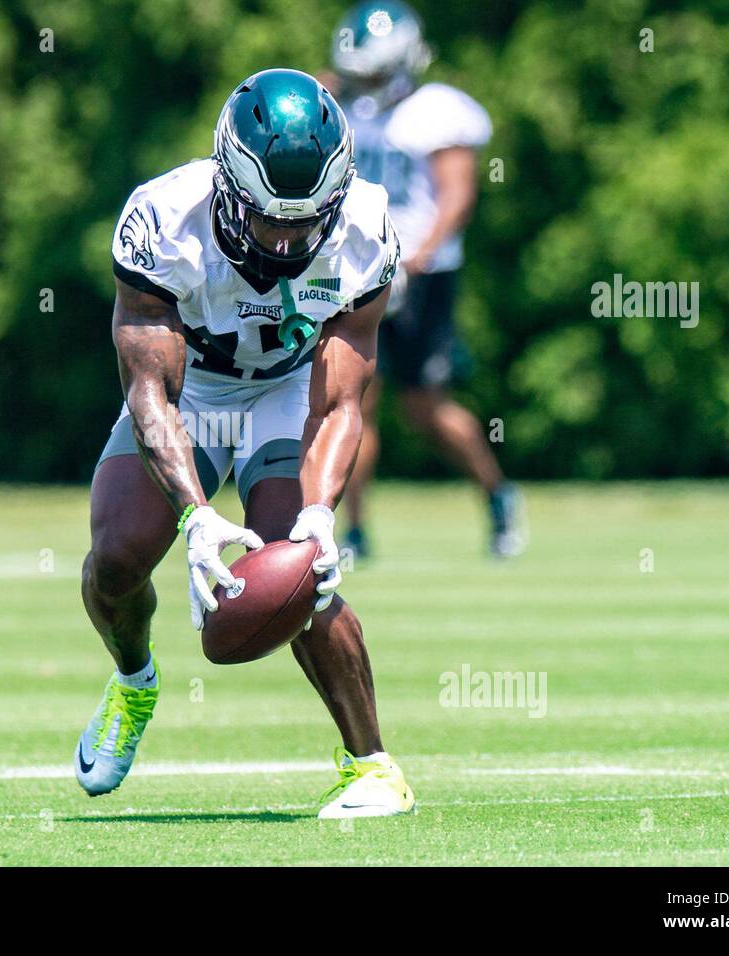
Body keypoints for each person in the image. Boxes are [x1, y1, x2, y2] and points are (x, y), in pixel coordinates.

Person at [76, 68, 414, 818]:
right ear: (229, 188)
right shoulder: (164, 220)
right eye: (271, 222)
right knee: (119, 558)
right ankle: (134, 682)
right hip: (193, 392)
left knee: (304, 571)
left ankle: (375, 768)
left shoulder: (364, 227)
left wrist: (321, 515)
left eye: (307, 221)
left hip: (287, 391)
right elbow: (150, 394)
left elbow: (342, 398)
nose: (291, 239)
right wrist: (196, 520)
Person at [328, 1, 525, 559]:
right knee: (351, 402)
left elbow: (458, 194)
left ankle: (498, 495)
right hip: (358, 273)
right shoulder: (345, 104)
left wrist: (418, 255)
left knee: (425, 409)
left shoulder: (436, 111)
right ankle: (352, 533)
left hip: (422, 276)